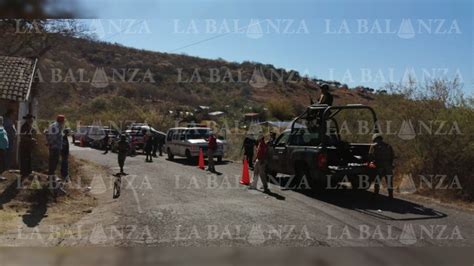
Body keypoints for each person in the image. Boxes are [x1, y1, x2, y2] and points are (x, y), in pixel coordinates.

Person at [368, 133, 395, 199]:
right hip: (388, 167)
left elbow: (370, 156)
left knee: (377, 181)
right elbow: (392, 156)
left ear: (374, 139)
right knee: (389, 181)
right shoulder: (388, 146)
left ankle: (376, 194)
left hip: (379, 167)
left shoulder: (374, 146)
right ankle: (390, 195)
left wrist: (372, 163)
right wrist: (391, 165)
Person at [46, 115, 65, 180]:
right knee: (53, 161)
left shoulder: (54, 125)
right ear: (61, 121)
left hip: (55, 146)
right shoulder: (56, 126)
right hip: (55, 147)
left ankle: (51, 175)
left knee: (53, 161)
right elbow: (53, 137)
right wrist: (51, 143)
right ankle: (51, 176)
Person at [19, 114, 36, 178]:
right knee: (24, 159)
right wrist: (31, 139)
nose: (32, 120)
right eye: (30, 119)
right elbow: (22, 137)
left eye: (32, 119)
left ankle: (28, 173)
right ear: (27, 119)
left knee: (28, 159)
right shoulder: (24, 127)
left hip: (28, 146)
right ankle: (24, 173)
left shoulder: (29, 126)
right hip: (24, 145)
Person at [0, 116, 9, 181]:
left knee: (2, 162)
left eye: (2, 120)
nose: (2, 122)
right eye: (1, 120)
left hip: (3, 147)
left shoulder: (2, 127)